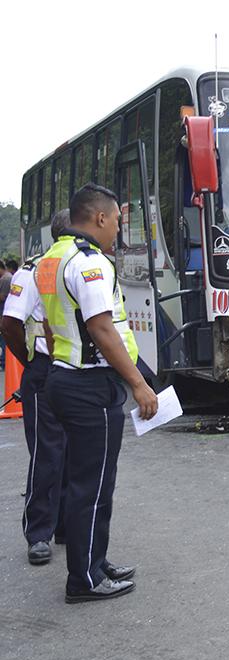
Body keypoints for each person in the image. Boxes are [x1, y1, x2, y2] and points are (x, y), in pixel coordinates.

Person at [36, 183, 159, 603]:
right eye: (118, 222)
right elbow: (102, 328)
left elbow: (54, 324)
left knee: (84, 480)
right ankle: (84, 580)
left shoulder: (52, 258)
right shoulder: (91, 263)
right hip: (90, 384)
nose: (118, 231)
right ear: (101, 218)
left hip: (63, 377)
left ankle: (93, 560)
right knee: (94, 485)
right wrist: (139, 384)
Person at [1, 210, 70, 565]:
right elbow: (10, 323)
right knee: (47, 453)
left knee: (75, 453)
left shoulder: (85, 268)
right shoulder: (33, 273)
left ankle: (65, 526)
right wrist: (28, 361)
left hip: (76, 371)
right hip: (44, 370)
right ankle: (39, 532)